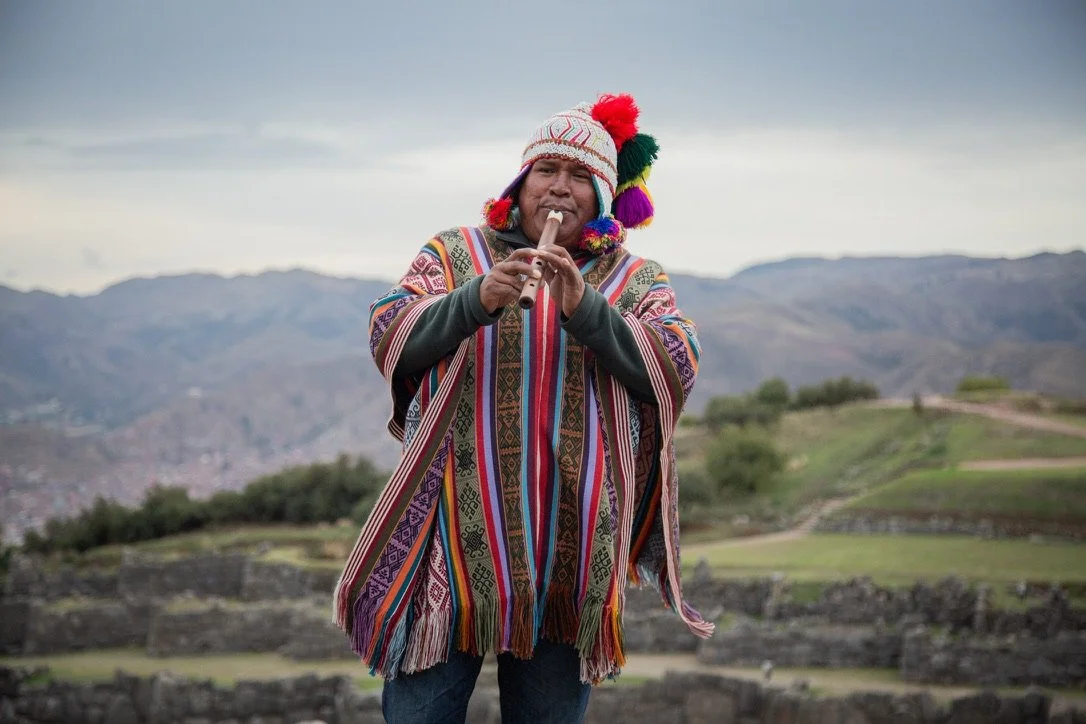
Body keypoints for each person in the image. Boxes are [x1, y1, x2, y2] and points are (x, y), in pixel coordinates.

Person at [334, 93, 712, 724]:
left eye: (579, 177)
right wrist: (472, 300)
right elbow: (389, 328)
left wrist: (588, 311)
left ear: (603, 195)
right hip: (447, 540)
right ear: (521, 181)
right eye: (547, 171)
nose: (559, 189)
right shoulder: (457, 253)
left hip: (571, 552)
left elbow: (676, 363)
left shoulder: (634, 279)